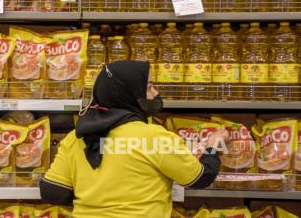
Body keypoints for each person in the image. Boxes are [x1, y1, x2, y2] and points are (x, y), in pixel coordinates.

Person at [39, 60, 228, 217]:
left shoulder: (76, 137)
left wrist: (96, 194)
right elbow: (200, 178)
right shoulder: (154, 137)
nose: (155, 94)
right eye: (149, 88)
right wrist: (213, 145)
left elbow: (52, 191)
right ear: (128, 93)